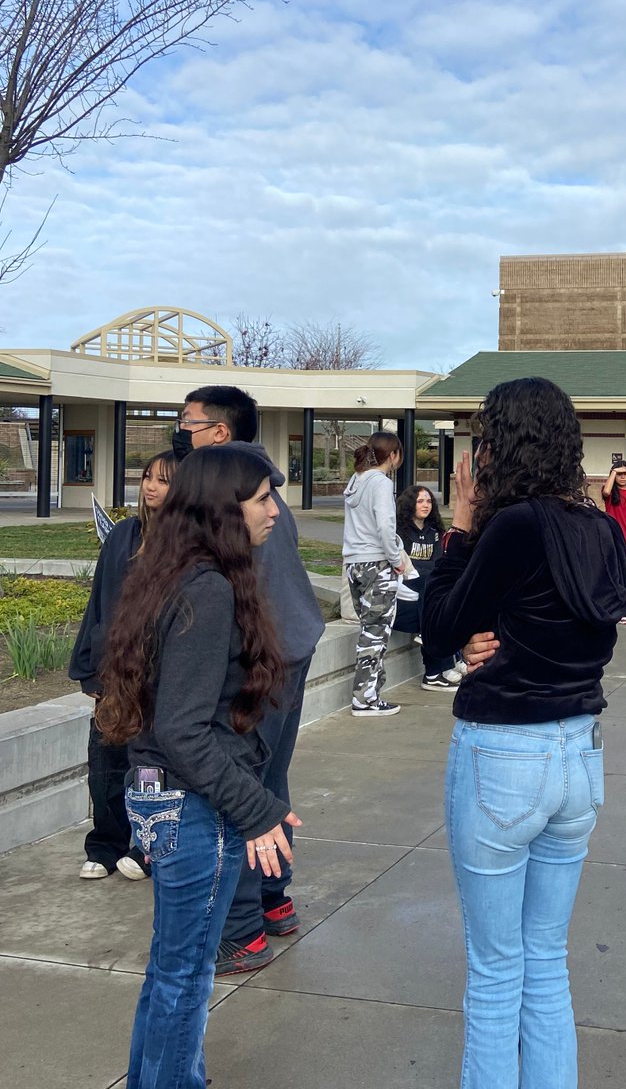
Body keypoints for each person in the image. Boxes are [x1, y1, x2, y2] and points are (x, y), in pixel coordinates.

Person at [421, 376, 626, 1089]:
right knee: (545, 961)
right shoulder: (601, 528)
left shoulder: (512, 528)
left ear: (499, 445)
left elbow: (441, 622)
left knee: (494, 968)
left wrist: (458, 525)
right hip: (579, 754)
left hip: (506, 751)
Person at [96, 445, 301, 1089]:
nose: (275, 510)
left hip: (167, 799)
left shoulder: (177, 573)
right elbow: (184, 730)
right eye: (263, 498)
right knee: (185, 977)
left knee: (171, 969)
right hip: (190, 809)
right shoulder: (207, 591)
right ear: (224, 509)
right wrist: (257, 808)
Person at [174, 385, 325, 976]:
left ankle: (240, 931)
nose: (180, 432)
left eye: (188, 424)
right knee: (268, 776)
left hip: (263, 659)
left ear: (217, 433)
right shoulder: (264, 486)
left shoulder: (234, 495)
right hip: (291, 645)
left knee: (234, 788)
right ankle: (272, 899)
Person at [72, 449, 178, 882]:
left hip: (159, 677)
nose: (150, 486)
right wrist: (89, 666)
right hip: (114, 672)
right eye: (147, 477)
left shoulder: (187, 545)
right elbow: (98, 601)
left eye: (163, 480)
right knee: (105, 766)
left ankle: (145, 846)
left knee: (149, 768)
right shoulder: (122, 536)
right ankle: (105, 843)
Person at [342, 431, 418, 716]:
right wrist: (396, 559)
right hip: (377, 564)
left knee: (368, 629)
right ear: (394, 455)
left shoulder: (356, 481)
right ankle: (365, 699)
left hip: (354, 564)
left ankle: (369, 694)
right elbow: (385, 526)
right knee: (376, 634)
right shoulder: (381, 483)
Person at [395, 483, 464, 691]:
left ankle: (436, 672)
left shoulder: (435, 532)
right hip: (406, 586)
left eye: (428, 501)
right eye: (420, 501)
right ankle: (442, 667)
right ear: (410, 505)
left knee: (443, 601)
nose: (425, 505)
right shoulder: (400, 532)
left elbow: (438, 561)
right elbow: (406, 567)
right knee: (434, 596)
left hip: (426, 589)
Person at [601, 459, 626, 624]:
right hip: (612, 539)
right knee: (612, 574)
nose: (622, 477)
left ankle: (624, 610)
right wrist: (614, 472)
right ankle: (611, 607)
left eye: (625, 473)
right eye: (619, 474)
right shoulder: (610, 493)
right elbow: (607, 492)